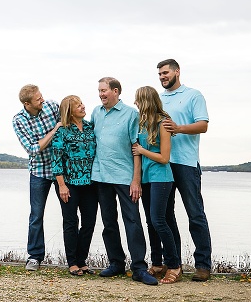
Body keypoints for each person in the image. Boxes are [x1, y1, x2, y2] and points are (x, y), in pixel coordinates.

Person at [90, 77, 158, 285]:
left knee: (133, 222)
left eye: (104, 91)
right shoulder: (95, 112)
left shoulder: (131, 114)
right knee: (109, 223)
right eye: (99, 91)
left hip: (125, 177)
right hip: (101, 176)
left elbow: (136, 149)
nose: (101, 94)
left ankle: (139, 268)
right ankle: (116, 263)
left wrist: (136, 180)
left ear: (116, 91)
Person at [156, 59, 212, 282]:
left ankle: (203, 265)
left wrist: (179, 128)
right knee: (166, 217)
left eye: (166, 73)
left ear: (177, 72)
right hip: (163, 164)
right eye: (160, 74)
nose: (162, 77)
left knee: (195, 214)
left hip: (187, 164)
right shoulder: (158, 99)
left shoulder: (193, 95)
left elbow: (203, 125)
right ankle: (174, 264)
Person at [131, 86, 182, 284]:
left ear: (146, 101)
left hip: (162, 178)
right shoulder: (141, 124)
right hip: (147, 179)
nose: (135, 103)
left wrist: (142, 151)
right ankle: (157, 263)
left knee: (159, 221)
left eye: (138, 100)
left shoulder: (163, 123)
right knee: (151, 222)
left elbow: (164, 157)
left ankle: (175, 265)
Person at [12, 84, 61, 271]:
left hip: (60, 171)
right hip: (39, 171)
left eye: (42, 96)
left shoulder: (52, 106)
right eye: (38, 99)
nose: (43, 100)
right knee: (36, 215)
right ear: (27, 103)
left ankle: (74, 258)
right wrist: (54, 130)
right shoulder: (19, 120)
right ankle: (34, 256)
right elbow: (33, 149)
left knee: (69, 215)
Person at [50, 95, 99, 276]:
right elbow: (56, 160)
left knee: (89, 222)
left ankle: (82, 260)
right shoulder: (62, 130)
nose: (82, 106)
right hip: (68, 184)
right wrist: (62, 185)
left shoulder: (90, 127)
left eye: (81, 103)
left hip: (90, 184)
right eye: (78, 105)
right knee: (71, 222)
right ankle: (72, 263)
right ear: (69, 111)